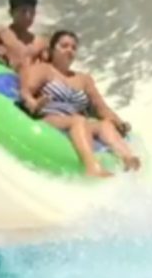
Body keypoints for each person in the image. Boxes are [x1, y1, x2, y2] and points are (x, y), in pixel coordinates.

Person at [20, 29, 140, 178]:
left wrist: (118, 122)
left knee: (104, 125)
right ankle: (92, 167)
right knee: (78, 120)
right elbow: (26, 91)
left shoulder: (83, 79)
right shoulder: (43, 70)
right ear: (52, 49)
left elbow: (101, 107)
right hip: (51, 116)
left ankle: (128, 159)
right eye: (64, 46)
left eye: (73, 47)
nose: (69, 50)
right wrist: (34, 103)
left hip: (78, 122)